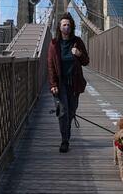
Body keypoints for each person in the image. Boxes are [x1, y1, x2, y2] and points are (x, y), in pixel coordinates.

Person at [47, 12, 89, 153]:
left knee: (71, 111)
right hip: (61, 84)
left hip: (75, 83)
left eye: (68, 25)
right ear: (59, 27)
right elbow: (50, 66)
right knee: (63, 112)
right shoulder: (54, 44)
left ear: (71, 27)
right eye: (64, 25)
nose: (66, 27)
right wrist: (53, 85)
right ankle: (65, 140)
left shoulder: (78, 42)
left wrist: (79, 54)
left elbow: (86, 61)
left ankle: (67, 129)